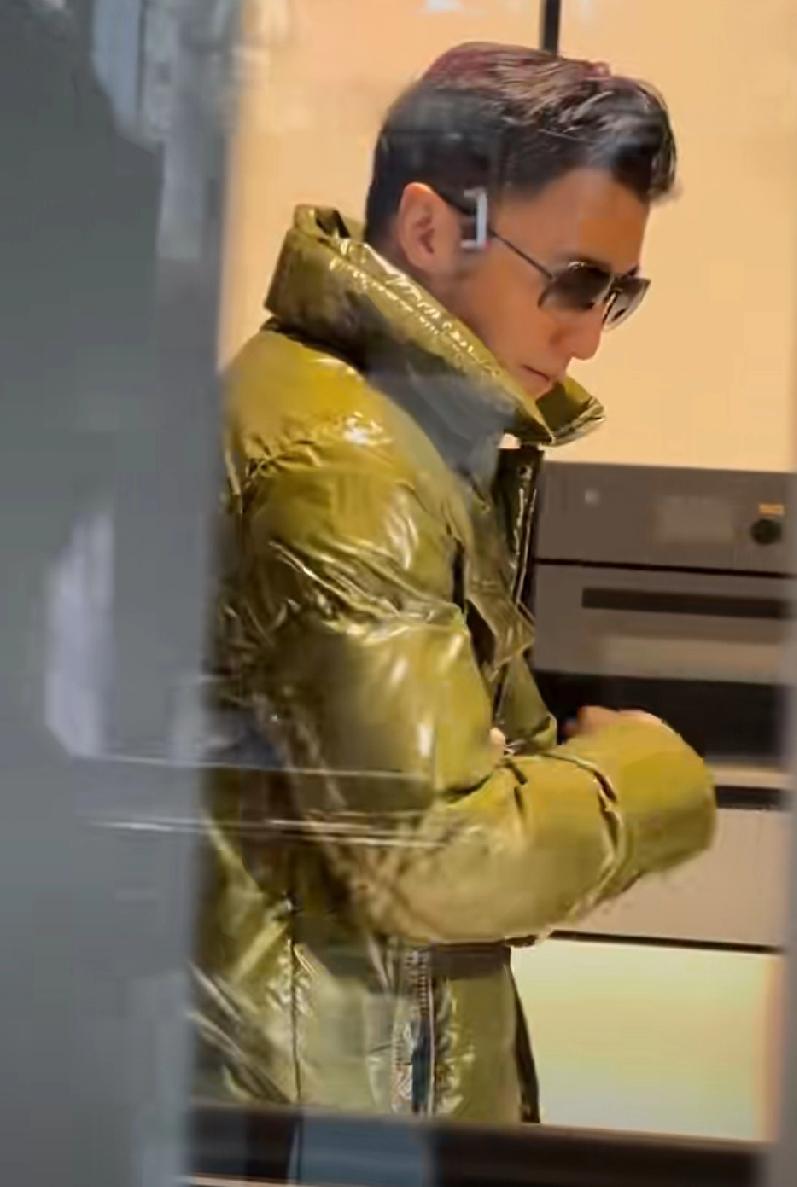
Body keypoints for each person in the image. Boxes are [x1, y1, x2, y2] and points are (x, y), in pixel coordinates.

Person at [193, 44, 715, 1125]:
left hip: (323, 1089)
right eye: (572, 281)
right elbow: (441, 861)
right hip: (334, 1119)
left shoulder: (376, 428)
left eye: (618, 295)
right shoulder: (346, 464)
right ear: (431, 230)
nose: (588, 338)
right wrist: (647, 778)